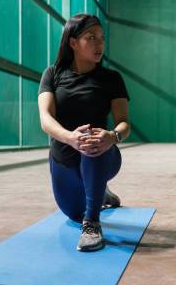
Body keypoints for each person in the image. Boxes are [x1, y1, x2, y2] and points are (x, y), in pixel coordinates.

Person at [38, 14, 130, 252]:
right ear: (73, 42)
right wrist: (70, 138)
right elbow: (45, 119)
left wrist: (112, 136)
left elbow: (123, 123)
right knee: (74, 213)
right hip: (64, 158)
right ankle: (100, 192)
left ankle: (92, 225)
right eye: (91, 38)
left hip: (102, 154)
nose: (99, 44)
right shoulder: (53, 74)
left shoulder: (111, 78)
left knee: (92, 141)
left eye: (101, 38)